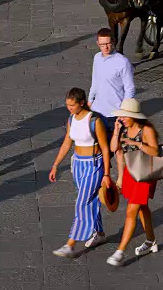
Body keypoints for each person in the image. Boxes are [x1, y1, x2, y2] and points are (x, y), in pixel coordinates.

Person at [50, 88, 112, 258]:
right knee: (90, 200)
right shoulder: (71, 119)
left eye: (72, 105)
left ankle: (70, 244)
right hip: (77, 164)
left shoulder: (94, 120)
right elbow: (66, 143)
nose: (69, 108)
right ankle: (99, 233)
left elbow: (105, 148)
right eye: (67, 105)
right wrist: (55, 165)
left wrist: (106, 174)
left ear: (82, 103)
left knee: (82, 203)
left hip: (93, 164)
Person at [106, 98, 159, 266]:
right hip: (130, 173)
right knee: (142, 207)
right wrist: (116, 132)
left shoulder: (146, 129)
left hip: (144, 174)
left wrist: (135, 143)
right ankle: (151, 240)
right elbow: (115, 150)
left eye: (125, 116)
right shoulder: (123, 129)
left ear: (134, 116)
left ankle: (120, 251)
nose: (122, 118)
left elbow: (155, 151)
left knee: (131, 211)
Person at [88, 28, 135, 188]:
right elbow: (95, 80)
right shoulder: (96, 58)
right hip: (98, 111)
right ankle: (103, 175)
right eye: (102, 44)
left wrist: (125, 111)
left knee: (118, 148)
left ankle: (121, 178)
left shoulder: (122, 62)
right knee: (100, 146)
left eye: (108, 43)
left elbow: (130, 89)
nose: (106, 47)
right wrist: (90, 100)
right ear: (98, 44)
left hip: (116, 112)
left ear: (113, 43)